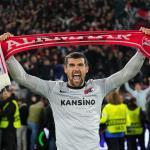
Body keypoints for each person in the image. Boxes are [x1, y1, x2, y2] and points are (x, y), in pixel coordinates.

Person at [0, 27, 148, 150]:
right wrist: (9, 54)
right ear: (65, 69)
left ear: (86, 68)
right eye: (71, 65)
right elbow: (22, 78)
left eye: (80, 65)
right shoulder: (53, 89)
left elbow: (126, 73)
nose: (75, 68)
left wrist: (142, 50)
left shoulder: (99, 87)